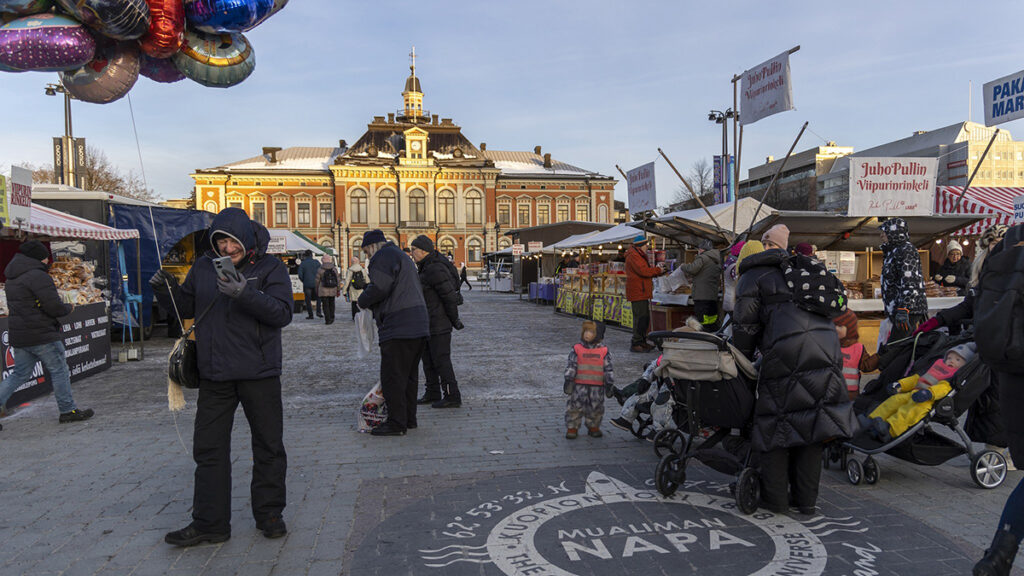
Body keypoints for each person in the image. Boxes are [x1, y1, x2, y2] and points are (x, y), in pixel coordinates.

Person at [150, 207, 292, 547]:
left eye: (232, 241)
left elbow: (282, 313)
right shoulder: (203, 266)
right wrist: (165, 291)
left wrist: (246, 293)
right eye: (220, 242)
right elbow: (187, 307)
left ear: (245, 238)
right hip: (215, 373)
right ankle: (211, 523)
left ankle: (270, 515)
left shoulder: (270, 267)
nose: (226, 249)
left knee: (268, 446)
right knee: (209, 449)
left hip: (259, 372)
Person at [733, 242, 857, 515]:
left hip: (785, 352)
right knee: (813, 422)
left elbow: (744, 326)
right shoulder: (802, 268)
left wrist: (739, 360)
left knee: (775, 424)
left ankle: (775, 500)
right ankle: (806, 501)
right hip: (827, 349)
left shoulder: (751, 277)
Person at [0, 240, 91, 430]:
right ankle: (68, 410)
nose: (46, 260)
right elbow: (53, 307)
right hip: (42, 334)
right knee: (59, 371)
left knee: (19, 374)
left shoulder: (11, 276)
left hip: (21, 335)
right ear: (36, 257)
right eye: (44, 256)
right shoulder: (38, 276)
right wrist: (68, 307)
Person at [357, 230, 430, 436]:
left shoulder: (382, 257)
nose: (367, 257)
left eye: (366, 252)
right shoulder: (399, 255)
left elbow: (380, 286)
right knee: (408, 376)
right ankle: (408, 419)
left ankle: (397, 423)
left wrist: (362, 300)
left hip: (399, 324)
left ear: (372, 247)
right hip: (418, 322)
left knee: (393, 376)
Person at [860, 343, 975, 442]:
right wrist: (900, 385)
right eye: (949, 357)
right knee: (894, 400)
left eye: (958, 359)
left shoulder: (951, 377)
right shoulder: (936, 368)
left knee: (910, 411)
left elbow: (943, 389)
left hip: (928, 401)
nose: (951, 361)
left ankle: (890, 429)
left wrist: (929, 393)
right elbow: (916, 379)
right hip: (914, 393)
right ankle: (872, 419)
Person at [410, 235, 464, 409]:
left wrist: (454, 319)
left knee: (441, 360)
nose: (411, 253)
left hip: (439, 323)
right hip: (427, 321)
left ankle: (452, 395)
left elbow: (449, 297)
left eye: (413, 250)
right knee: (428, 359)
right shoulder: (425, 267)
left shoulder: (434, 269)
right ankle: (432, 392)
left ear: (423, 251)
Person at [879, 218, 928, 342]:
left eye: (884, 232)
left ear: (893, 233)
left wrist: (904, 308)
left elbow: (910, 280)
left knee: (895, 347)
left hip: (908, 310)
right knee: (899, 347)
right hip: (899, 308)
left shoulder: (906, 250)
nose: (881, 235)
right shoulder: (894, 251)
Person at [563, 320, 614, 439]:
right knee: (575, 406)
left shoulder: (603, 351)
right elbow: (572, 365)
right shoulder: (577, 349)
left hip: (597, 386)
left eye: (591, 332)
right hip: (579, 385)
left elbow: (608, 368)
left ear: (598, 334)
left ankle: (593, 426)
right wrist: (568, 379)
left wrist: (609, 383)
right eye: (585, 331)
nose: (587, 334)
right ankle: (572, 427)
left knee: (596, 406)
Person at [625, 235, 666, 353]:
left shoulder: (636, 254)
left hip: (641, 291)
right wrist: (658, 271)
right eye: (646, 245)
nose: (647, 247)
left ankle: (642, 342)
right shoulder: (634, 255)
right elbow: (643, 271)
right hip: (638, 291)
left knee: (644, 318)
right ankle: (636, 343)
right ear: (640, 246)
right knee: (640, 318)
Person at [833, 310, 878, 401]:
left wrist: (878, 356)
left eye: (840, 326)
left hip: (851, 395)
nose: (836, 328)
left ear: (850, 329)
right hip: (832, 392)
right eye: (834, 325)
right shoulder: (829, 344)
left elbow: (866, 366)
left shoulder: (858, 348)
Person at [679, 239, 722, 331]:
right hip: (712, 294)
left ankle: (703, 335)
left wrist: (683, 266)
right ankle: (712, 334)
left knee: (702, 320)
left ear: (702, 249)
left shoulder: (702, 257)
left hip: (701, 294)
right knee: (711, 318)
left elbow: (692, 269)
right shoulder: (716, 260)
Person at [314, 254, 340, 325]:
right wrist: (338, 289)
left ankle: (327, 319)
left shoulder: (320, 269)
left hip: (323, 290)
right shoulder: (334, 269)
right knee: (332, 303)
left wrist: (316, 290)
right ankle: (332, 317)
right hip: (333, 289)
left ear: (322, 261)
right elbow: (338, 280)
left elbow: (317, 281)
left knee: (325, 305)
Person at [722, 241, 745, 317]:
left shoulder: (729, 263)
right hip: (733, 301)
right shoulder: (734, 266)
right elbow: (738, 282)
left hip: (729, 299)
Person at [297, 250, 321, 319]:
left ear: (305, 255)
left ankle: (310, 315)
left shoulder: (303, 263)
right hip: (316, 283)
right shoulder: (316, 262)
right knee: (318, 298)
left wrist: (304, 280)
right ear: (311, 255)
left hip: (307, 284)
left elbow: (300, 275)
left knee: (308, 300)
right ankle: (318, 312)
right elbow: (320, 272)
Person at [343, 255, 367, 320]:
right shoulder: (362, 270)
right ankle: (361, 316)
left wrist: (344, 291)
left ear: (352, 262)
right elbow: (367, 280)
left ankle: (354, 316)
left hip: (353, 289)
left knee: (354, 303)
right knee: (360, 303)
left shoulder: (350, 270)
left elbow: (347, 281)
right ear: (358, 262)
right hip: (361, 289)